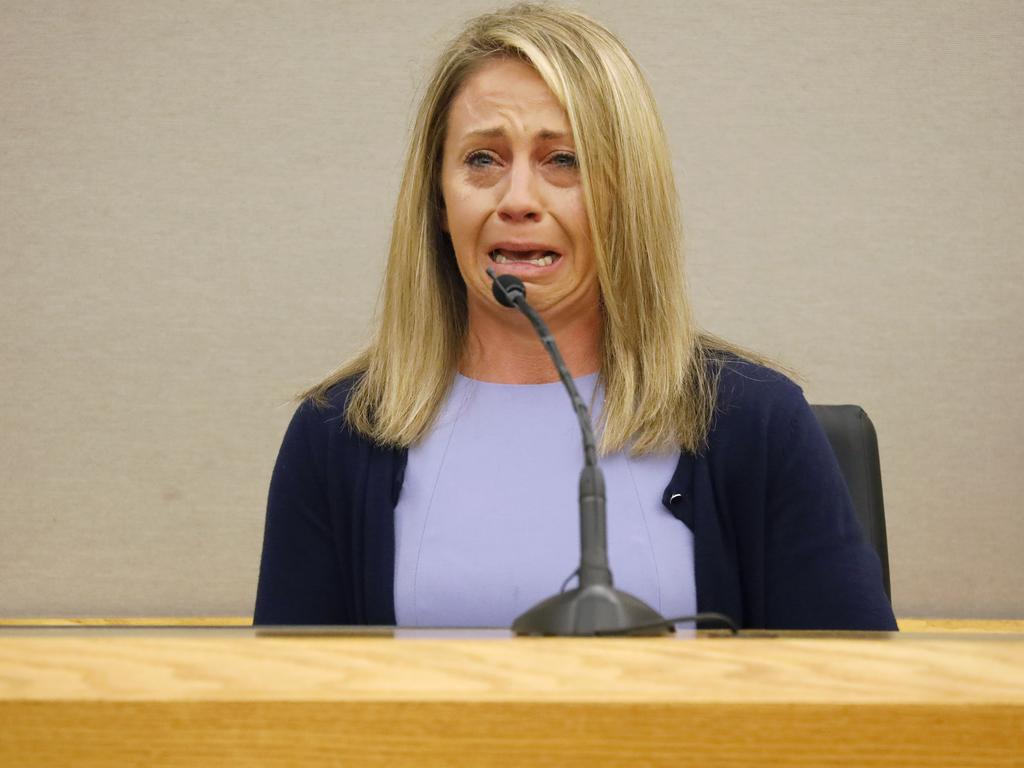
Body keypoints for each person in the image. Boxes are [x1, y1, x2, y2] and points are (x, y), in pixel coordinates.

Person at [253, 3, 897, 631]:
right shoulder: (337, 435)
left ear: (628, 194)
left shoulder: (755, 424)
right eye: (484, 159)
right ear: (437, 201)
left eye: (564, 160)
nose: (519, 200)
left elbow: (862, 709)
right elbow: (283, 713)